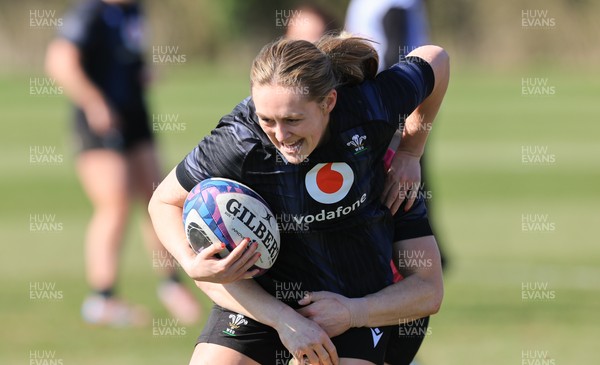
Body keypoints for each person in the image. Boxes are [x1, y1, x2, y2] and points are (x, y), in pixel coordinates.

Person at [149, 35, 448, 364]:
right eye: (266, 120)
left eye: (293, 120)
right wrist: (190, 260)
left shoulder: (368, 109)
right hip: (265, 301)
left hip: (352, 301)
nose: (279, 135)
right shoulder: (240, 140)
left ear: (329, 102)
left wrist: (410, 150)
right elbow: (163, 202)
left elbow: (436, 58)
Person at [45, 0, 200, 326]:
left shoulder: (133, 10)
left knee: (160, 197)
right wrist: (94, 102)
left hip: (135, 118)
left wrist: (139, 73)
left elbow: (124, 55)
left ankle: (172, 284)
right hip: (101, 122)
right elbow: (59, 61)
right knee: (114, 205)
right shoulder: (90, 13)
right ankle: (102, 299)